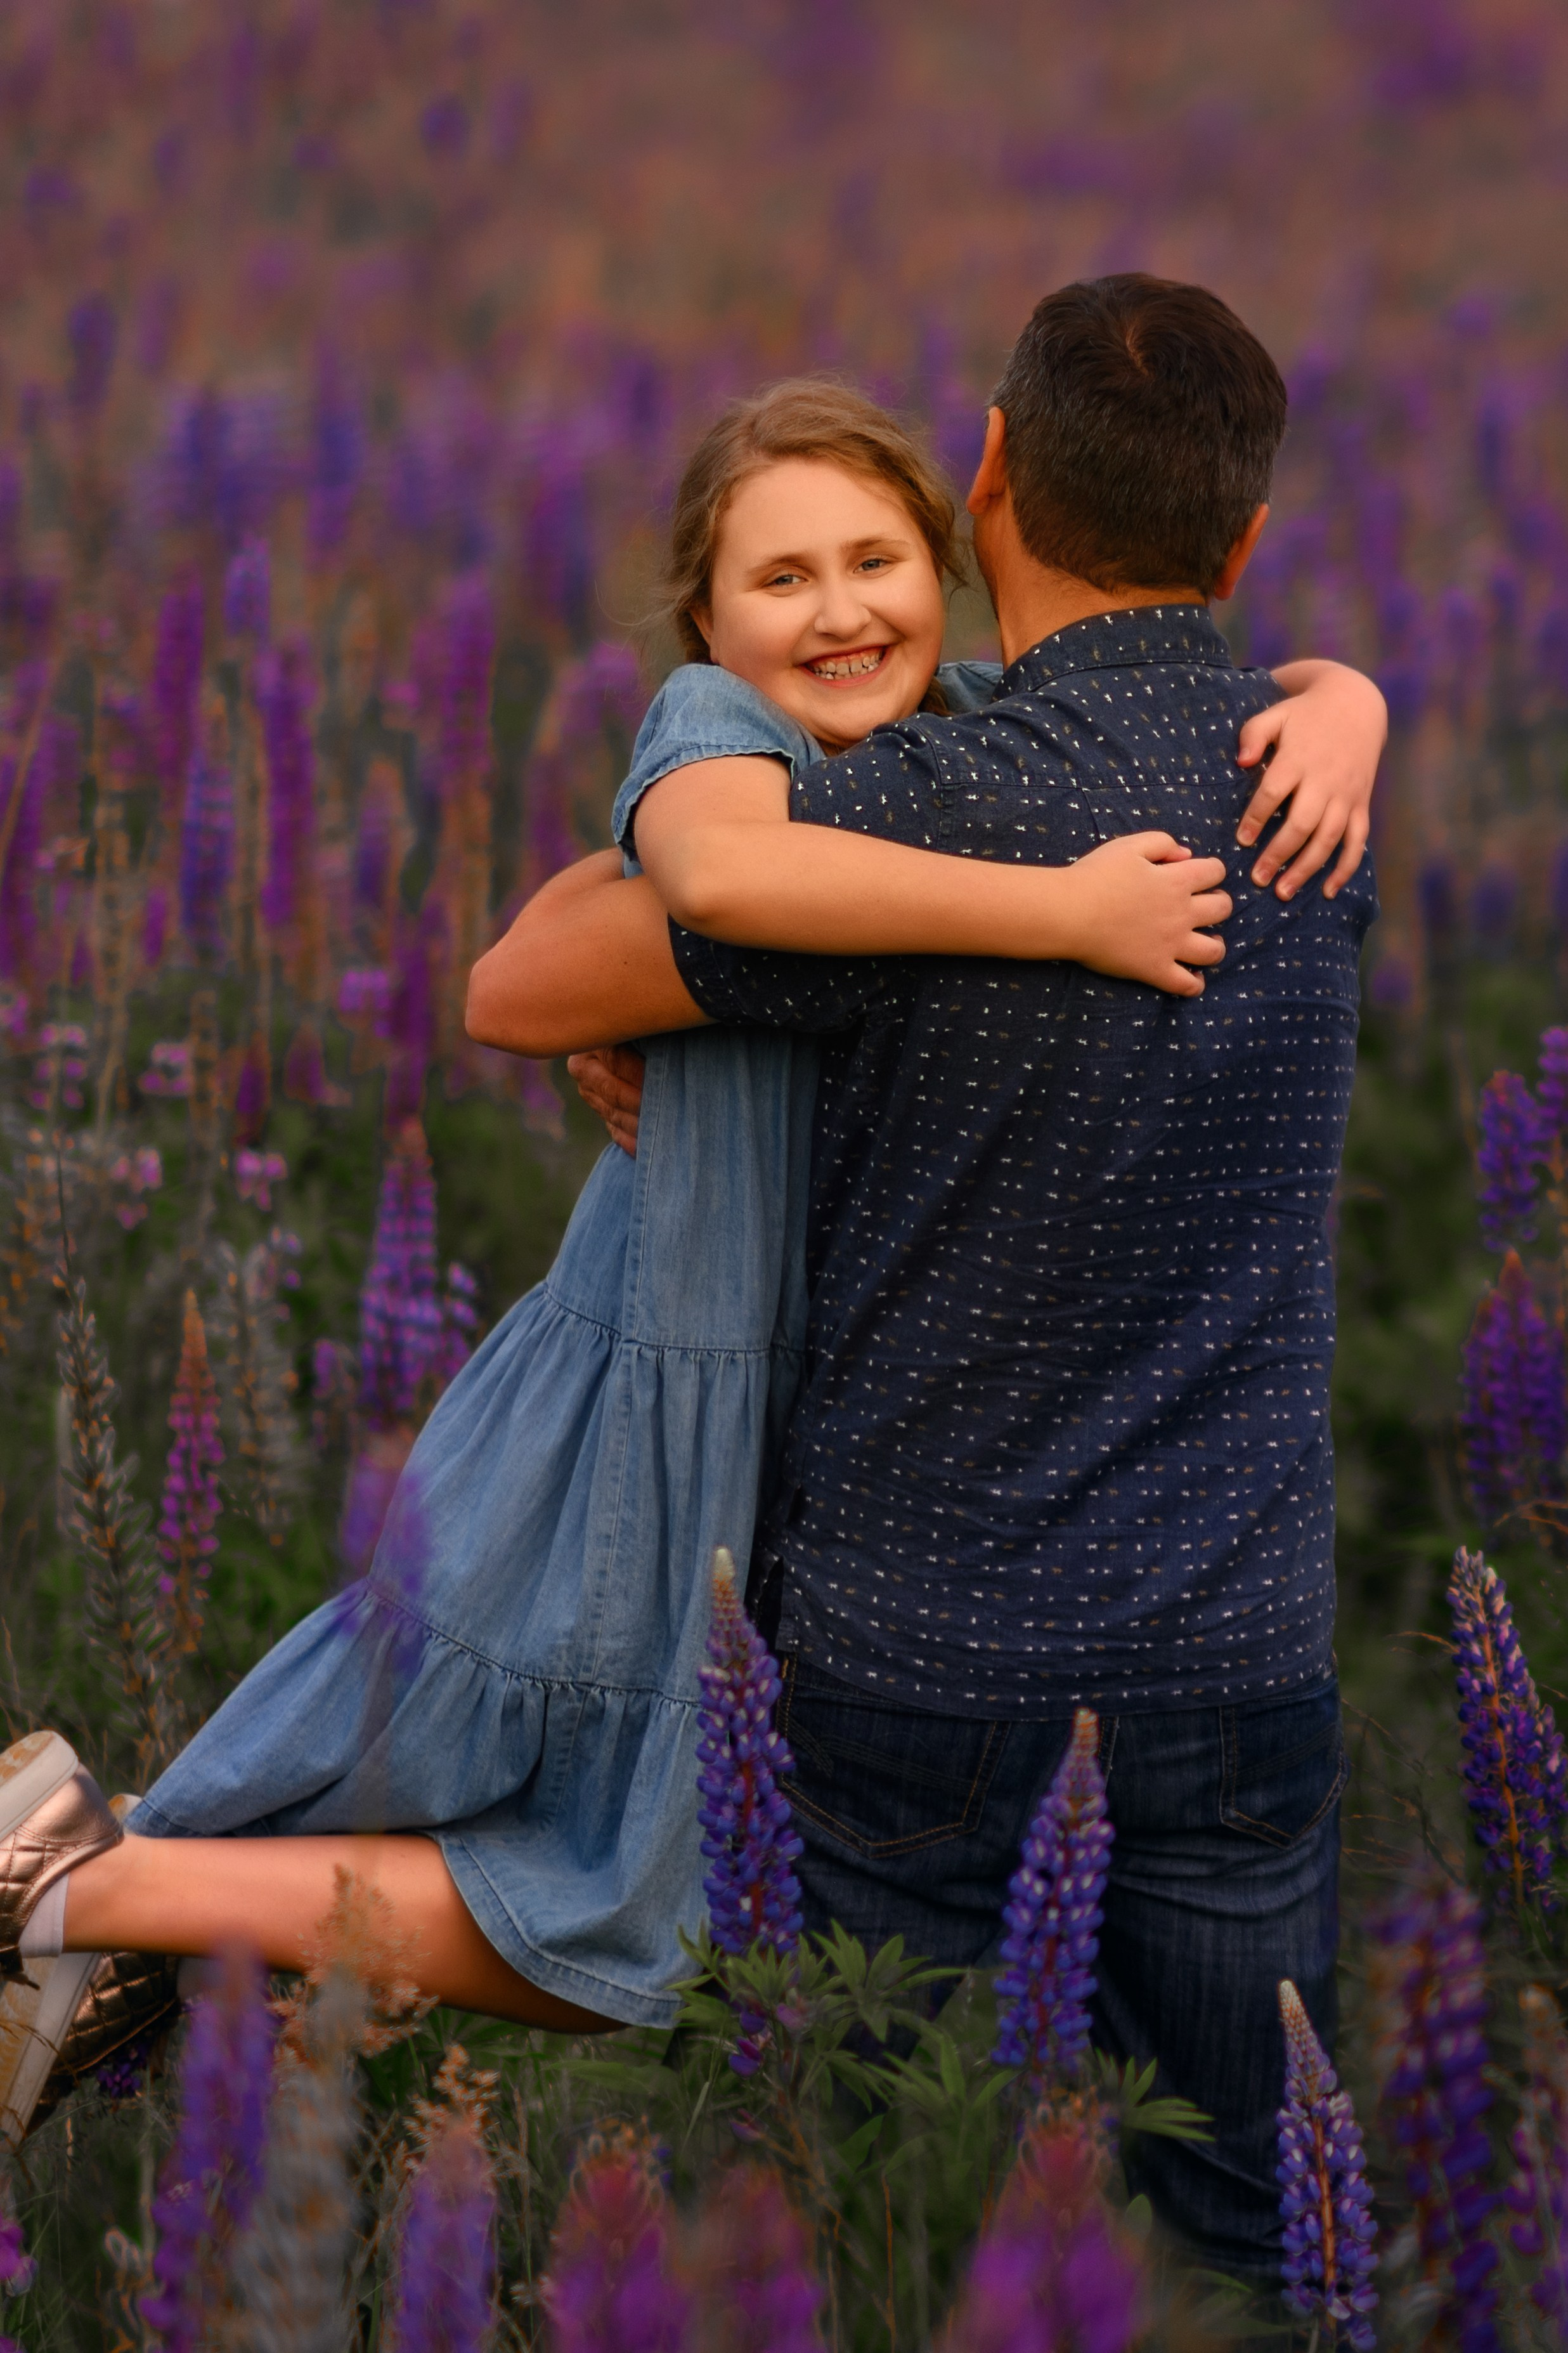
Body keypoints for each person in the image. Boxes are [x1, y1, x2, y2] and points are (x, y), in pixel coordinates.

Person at [0, 347, 1382, 2169]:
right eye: (779, 578)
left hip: (794, 1436)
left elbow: (602, 949)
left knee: (633, 1883)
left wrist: (1343, 690)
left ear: (967, 522)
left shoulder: (953, 753)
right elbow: (570, 952)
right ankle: (99, 1885)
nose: (836, 610)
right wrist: (1064, 913)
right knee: (632, 1892)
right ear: (703, 621)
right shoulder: (770, 771)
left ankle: (97, 1888)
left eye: (870, 560)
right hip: (662, 1386)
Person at [470, 277, 1381, 2285]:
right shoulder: (1314, 801)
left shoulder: (890, 814)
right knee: (1253, 2229)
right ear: (1241, 539)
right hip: (1238, 1659)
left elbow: (525, 976)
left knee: (830, 2215)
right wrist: (1351, 690)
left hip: (912, 1666)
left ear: (979, 483)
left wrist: (643, 1007)